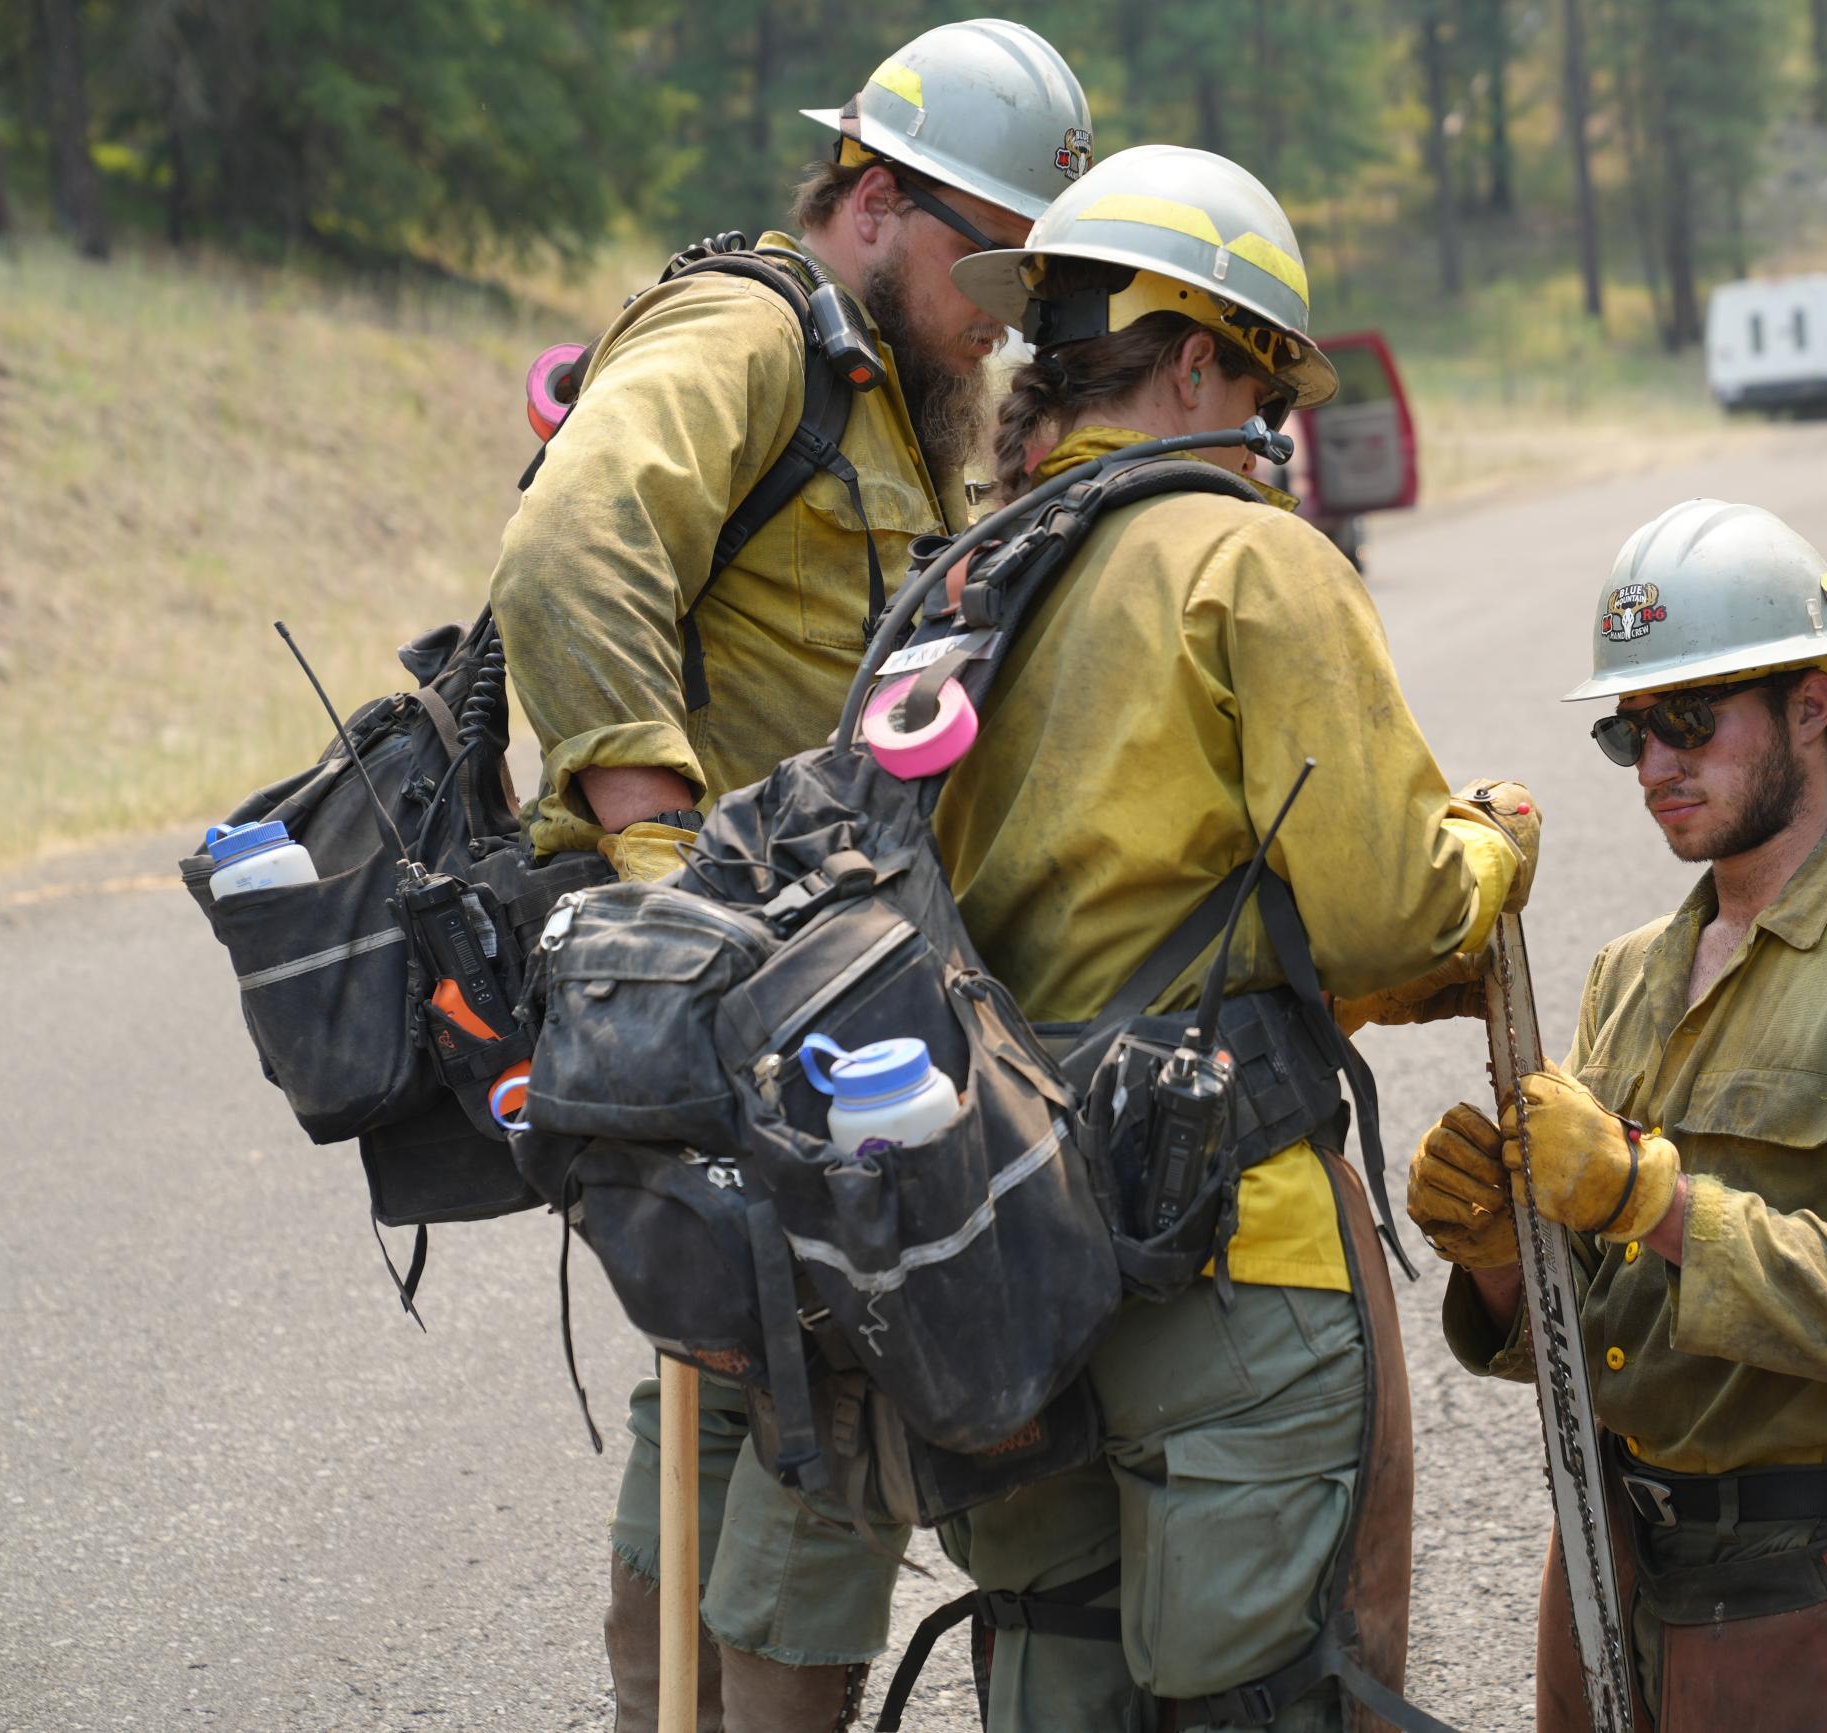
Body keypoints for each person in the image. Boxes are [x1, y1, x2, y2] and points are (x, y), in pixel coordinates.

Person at [486, 20, 1091, 1728]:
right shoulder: (752, 331)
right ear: (879, 197)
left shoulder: (884, 382)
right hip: (741, 996)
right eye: (990, 258)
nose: (1006, 304)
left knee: (738, 1375)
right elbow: (573, 539)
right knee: (839, 1407)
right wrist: (661, 860)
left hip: (801, 1000)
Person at [921, 142, 1538, 1730]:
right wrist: (1494, 849)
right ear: (1194, 354)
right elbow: (1392, 906)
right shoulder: (1251, 558)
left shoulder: (961, 580)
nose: (1275, 433)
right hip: (1229, 1247)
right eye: (1262, 386)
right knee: (1270, 1698)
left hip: (1009, 1254)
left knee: (1053, 1676)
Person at [1406, 501, 1827, 1732]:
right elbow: (1591, 1337)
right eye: (1629, 732)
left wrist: (1646, 1198)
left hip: (1812, 1597)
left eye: (1689, 720)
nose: (1654, 767)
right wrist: (1500, 1258)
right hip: (1614, 1577)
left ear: (1811, 703)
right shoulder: (1629, 973)